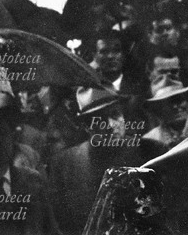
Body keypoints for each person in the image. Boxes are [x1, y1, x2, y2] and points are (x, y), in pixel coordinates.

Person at [48, 87, 144, 235]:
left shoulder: (148, 151)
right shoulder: (65, 164)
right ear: (86, 126)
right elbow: (62, 222)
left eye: (115, 115)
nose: (110, 125)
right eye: (100, 120)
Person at [141, 76, 188, 159]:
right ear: (159, 109)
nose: (175, 106)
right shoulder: (151, 139)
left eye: (179, 100)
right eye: (168, 103)